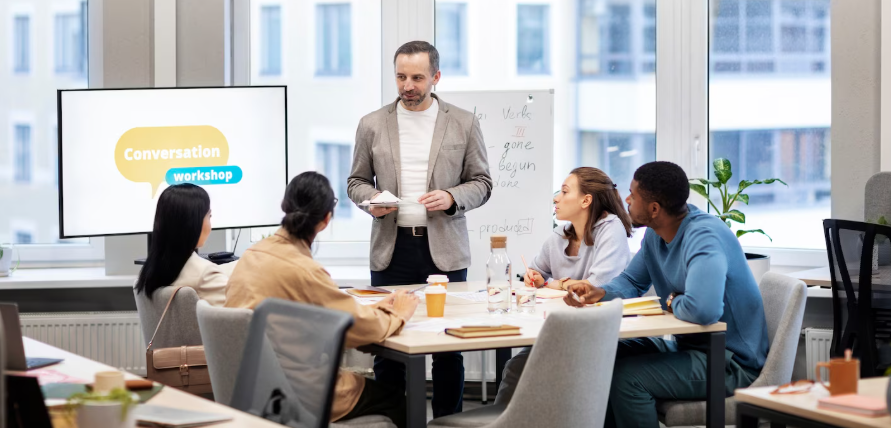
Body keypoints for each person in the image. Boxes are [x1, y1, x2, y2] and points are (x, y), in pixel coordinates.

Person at [347, 40, 492, 417]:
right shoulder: (371, 124)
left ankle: (448, 424)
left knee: (448, 349)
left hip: (444, 251)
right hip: (391, 250)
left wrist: (451, 196)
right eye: (400, 77)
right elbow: (355, 182)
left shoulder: (463, 122)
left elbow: (482, 182)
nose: (407, 86)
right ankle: (392, 421)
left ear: (435, 77)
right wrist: (372, 199)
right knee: (388, 345)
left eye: (416, 78)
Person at [565, 161, 769, 428]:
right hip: (690, 348)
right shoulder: (655, 235)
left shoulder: (704, 237)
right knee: (602, 353)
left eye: (633, 195)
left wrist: (673, 300)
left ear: (654, 209)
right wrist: (600, 292)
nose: (626, 200)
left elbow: (704, 310)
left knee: (628, 378)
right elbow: (631, 281)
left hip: (729, 362)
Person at [225, 172, 418, 427]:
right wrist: (398, 313)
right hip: (301, 395)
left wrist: (375, 307)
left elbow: (320, 314)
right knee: (399, 401)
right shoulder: (304, 269)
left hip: (254, 388)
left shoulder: (252, 255)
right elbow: (356, 328)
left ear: (285, 206)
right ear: (326, 219)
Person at [495, 166, 634, 405]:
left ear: (586, 200)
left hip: (600, 332)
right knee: (516, 367)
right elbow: (536, 271)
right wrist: (532, 277)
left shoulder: (611, 228)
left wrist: (551, 283)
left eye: (564, 191)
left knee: (519, 367)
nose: (556, 198)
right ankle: (508, 420)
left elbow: (595, 287)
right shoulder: (560, 234)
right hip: (566, 327)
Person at [135, 183, 236, 307]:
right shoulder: (205, 275)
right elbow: (241, 313)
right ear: (193, 223)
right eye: (209, 216)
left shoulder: (148, 273)